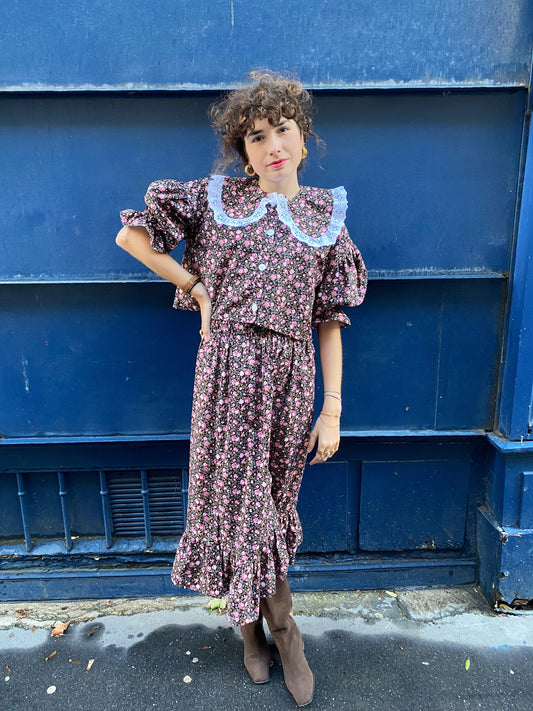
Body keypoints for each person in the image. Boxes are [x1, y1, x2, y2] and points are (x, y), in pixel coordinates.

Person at [116, 70, 367, 708]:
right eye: (256, 137)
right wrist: (196, 287)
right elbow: (131, 237)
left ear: (303, 139)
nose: (272, 145)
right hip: (225, 379)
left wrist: (332, 409)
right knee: (233, 506)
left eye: (282, 130)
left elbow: (330, 321)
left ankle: (270, 626)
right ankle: (268, 630)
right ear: (243, 151)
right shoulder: (216, 201)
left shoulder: (327, 221)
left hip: (288, 385)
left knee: (270, 507)